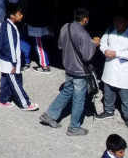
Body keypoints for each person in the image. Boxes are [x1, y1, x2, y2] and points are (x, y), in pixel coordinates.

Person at [41, 8, 100, 136]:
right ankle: (74, 127)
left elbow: (61, 45)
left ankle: (50, 115)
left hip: (68, 67)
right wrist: (94, 44)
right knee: (79, 99)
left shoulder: (65, 27)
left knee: (67, 91)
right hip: (79, 71)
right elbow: (87, 56)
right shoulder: (84, 35)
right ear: (85, 19)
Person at [98, 14, 128, 130]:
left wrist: (116, 54)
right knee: (108, 90)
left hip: (124, 70)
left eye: (119, 21)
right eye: (115, 20)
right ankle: (108, 111)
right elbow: (103, 42)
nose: (116, 23)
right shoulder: (110, 30)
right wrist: (105, 49)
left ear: (127, 22)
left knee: (125, 94)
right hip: (110, 66)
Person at [0, 3, 36, 110]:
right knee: (16, 83)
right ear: (12, 16)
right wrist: (14, 63)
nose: (21, 16)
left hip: (5, 59)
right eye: (19, 14)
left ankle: (3, 100)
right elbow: (11, 47)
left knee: (5, 81)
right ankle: (25, 104)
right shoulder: (9, 28)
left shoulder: (7, 25)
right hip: (9, 61)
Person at [24, 0, 57, 73]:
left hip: (37, 24)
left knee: (39, 45)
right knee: (41, 44)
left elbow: (34, 9)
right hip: (42, 23)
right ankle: (40, 63)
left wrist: (28, 19)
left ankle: (45, 66)